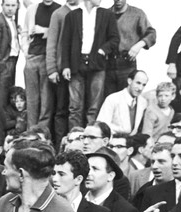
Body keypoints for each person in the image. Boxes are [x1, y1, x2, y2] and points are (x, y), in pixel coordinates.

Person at [60, 0, 119, 129]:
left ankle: (92, 136)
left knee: (94, 106)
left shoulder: (107, 14)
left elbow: (115, 38)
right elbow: (65, 42)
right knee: (75, 106)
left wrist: (103, 49)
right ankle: (74, 137)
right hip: (76, 64)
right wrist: (65, 66)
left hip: (97, 64)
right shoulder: (72, 15)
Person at [46, 0, 81, 147]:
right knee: (61, 110)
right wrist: (52, 69)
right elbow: (52, 42)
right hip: (61, 70)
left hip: (79, 70)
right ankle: (60, 145)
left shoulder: (85, 12)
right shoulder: (59, 13)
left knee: (77, 109)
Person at [23, 0, 62, 132]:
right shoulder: (32, 9)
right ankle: (30, 133)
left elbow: (60, 33)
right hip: (32, 57)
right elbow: (24, 32)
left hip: (48, 58)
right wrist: (26, 50)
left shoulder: (59, 10)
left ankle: (41, 135)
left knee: (46, 101)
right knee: (32, 100)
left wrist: (45, 30)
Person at [104, 0, 156, 97]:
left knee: (127, 98)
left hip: (127, 64)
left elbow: (151, 34)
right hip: (107, 65)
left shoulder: (137, 14)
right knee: (108, 100)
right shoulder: (105, 14)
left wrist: (139, 45)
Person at [0, 0, 21, 136]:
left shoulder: (11, 21)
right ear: (2, 6)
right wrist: (2, 69)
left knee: (6, 106)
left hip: (12, 64)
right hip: (3, 67)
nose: (10, 8)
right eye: (7, 5)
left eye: (13, 5)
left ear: (17, 6)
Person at [96, 69, 149, 135]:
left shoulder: (143, 102)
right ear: (129, 81)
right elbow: (101, 126)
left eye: (144, 85)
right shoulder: (112, 99)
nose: (140, 88)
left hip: (132, 141)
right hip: (112, 139)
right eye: (138, 83)